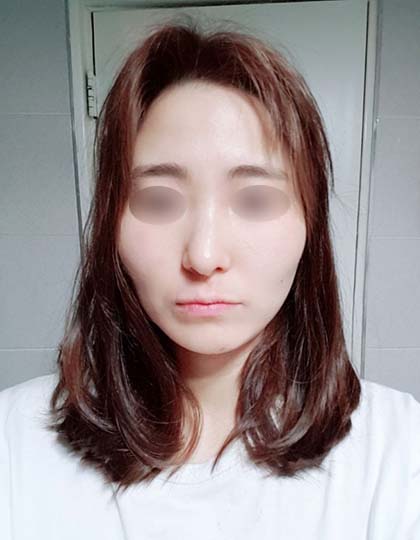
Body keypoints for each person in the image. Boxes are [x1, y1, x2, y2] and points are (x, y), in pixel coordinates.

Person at [1, 17, 419, 540]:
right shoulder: (13, 441)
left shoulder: (398, 451)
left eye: (255, 200)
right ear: (111, 224)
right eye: (159, 201)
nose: (202, 256)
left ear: (309, 228)